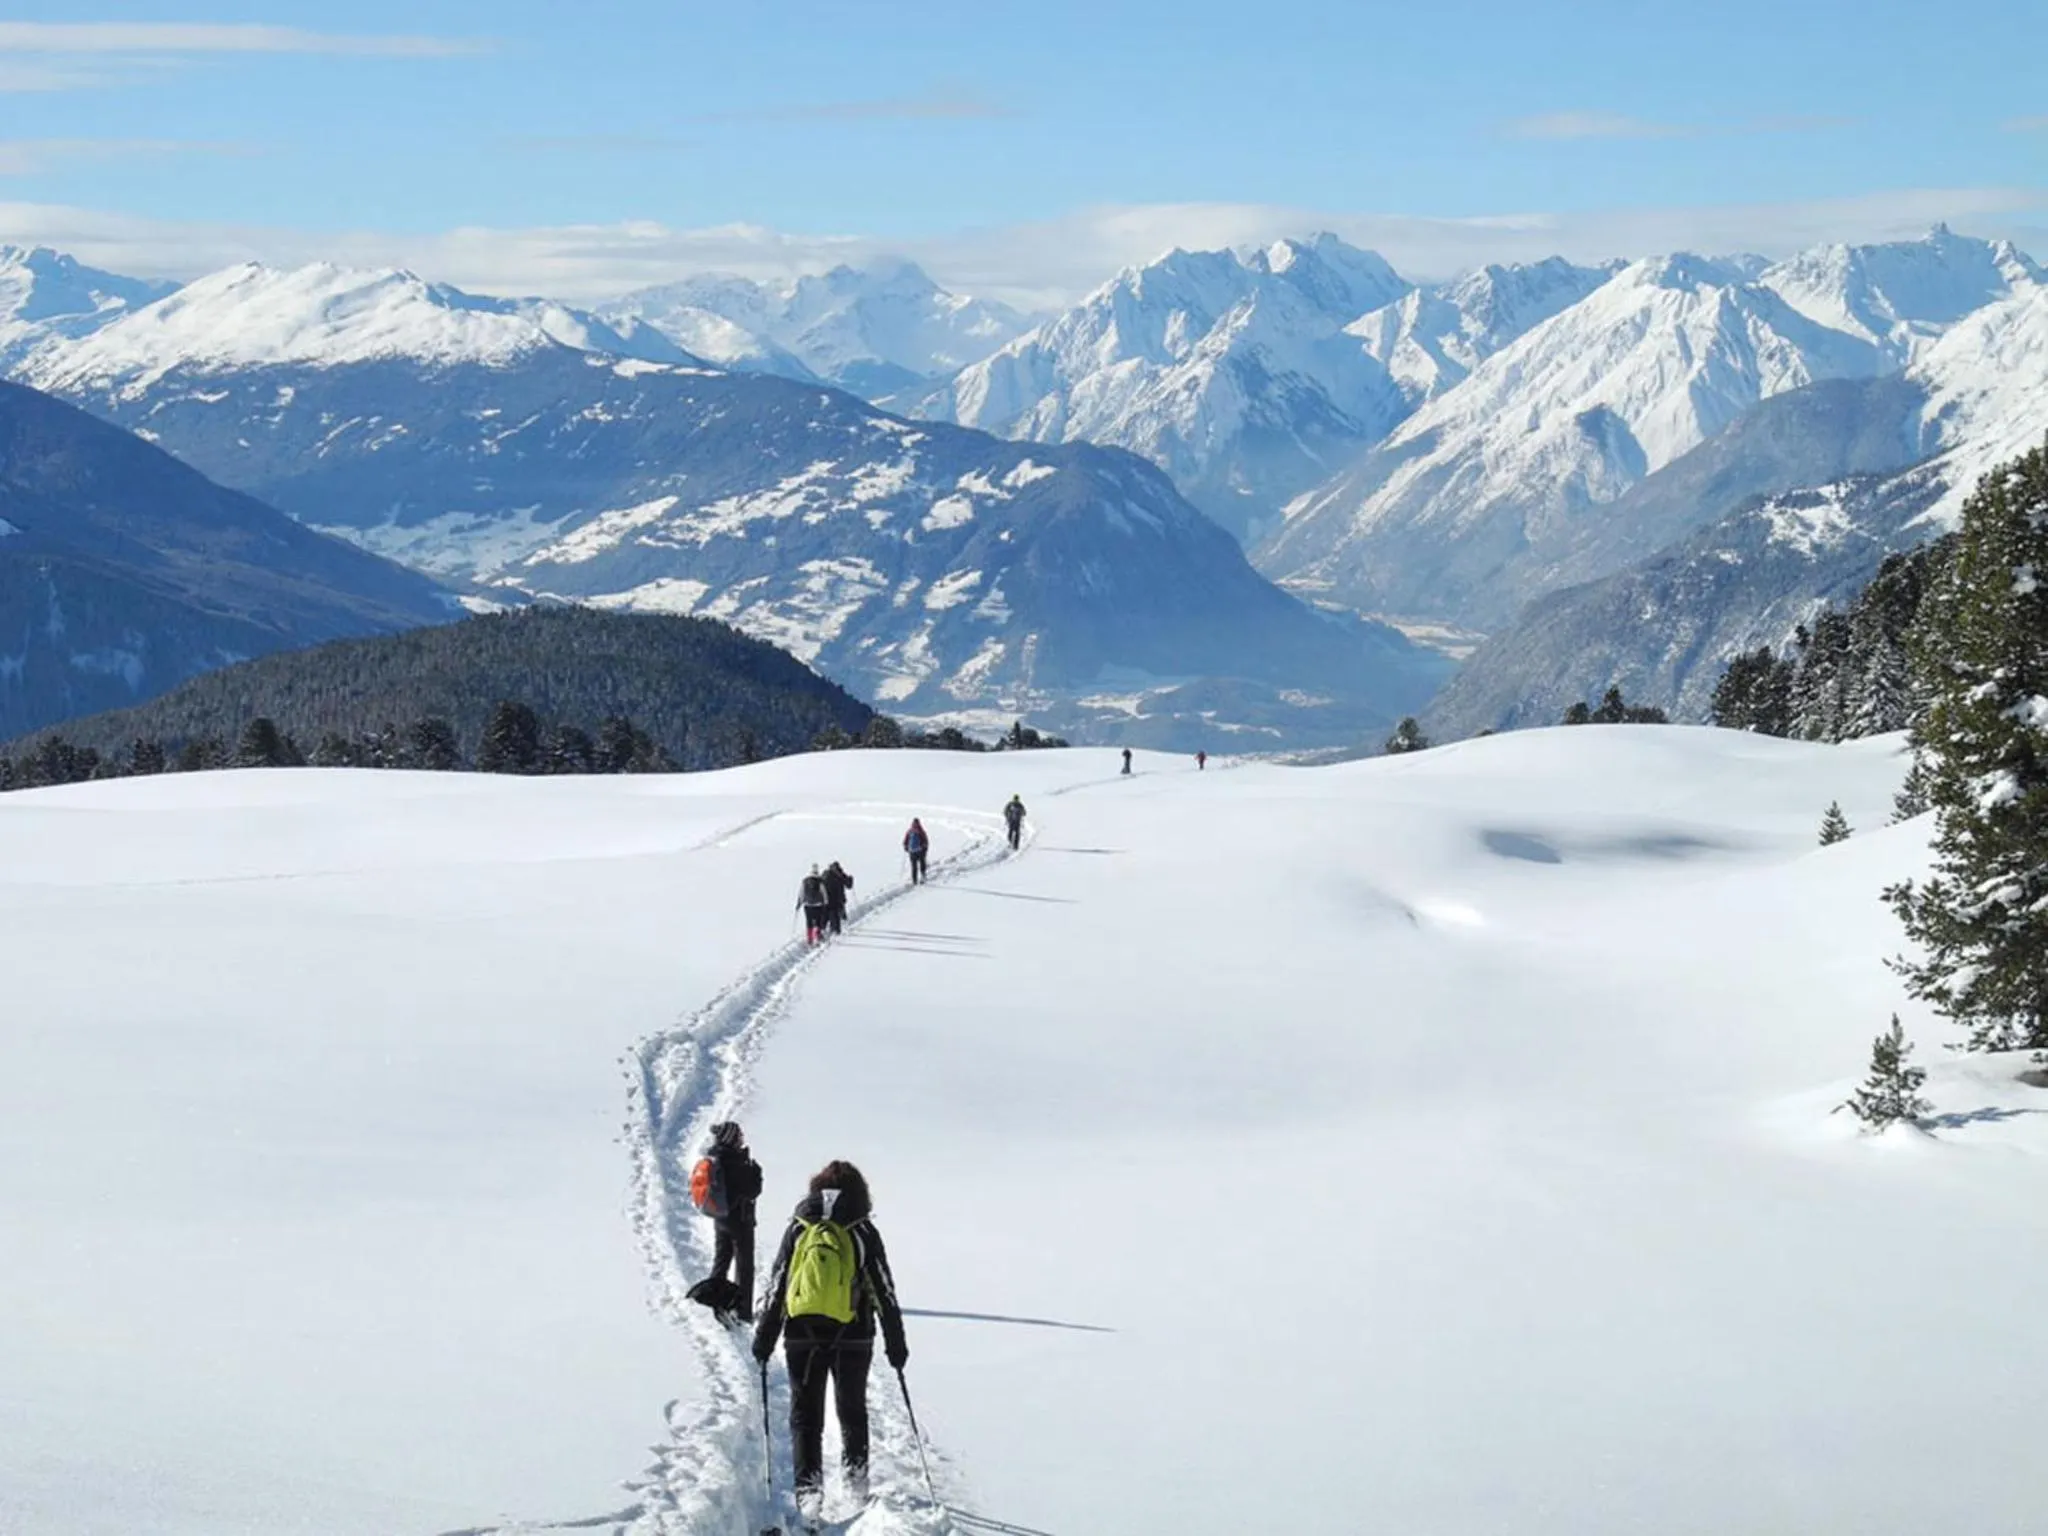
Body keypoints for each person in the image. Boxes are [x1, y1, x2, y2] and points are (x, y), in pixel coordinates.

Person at [753, 1160, 908, 1521]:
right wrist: (896, 1342)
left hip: (800, 1334)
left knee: (804, 1415)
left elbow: (778, 1284)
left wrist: (764, 1337)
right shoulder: (863, 1230)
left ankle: (809, 1497)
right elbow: (883, 1288)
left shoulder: (799, 1226)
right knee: (851, 1410)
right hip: (854, 1335)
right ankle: (855, 1487)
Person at [690, 1120, 764, 1322]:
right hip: (740, 1220)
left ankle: (716, 1300)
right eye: (739, 1136)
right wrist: (756, 1172)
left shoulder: (716, 1157)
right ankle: (743, 1312)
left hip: (721, 1218)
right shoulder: (734, 1160)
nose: (742, 1139)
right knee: (744, 1266)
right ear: (732, 1138)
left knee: (721, 1260)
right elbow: (752, 1190)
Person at [798, 864, 831, 945]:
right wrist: (826, 903)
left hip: (807, 905)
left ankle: (810, 939)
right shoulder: (820, 881)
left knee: (809, 921)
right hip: (818, 905)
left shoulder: (805, 881)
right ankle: (817, 936)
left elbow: (801, 893)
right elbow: (824, 893)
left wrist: (799, 903)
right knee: (818, 921)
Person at [822, 860, 854, 936]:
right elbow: (849, 885)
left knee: (826, 917)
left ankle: (823, 932)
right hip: (838, 900)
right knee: (838, 917)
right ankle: (836, 932)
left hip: (826, 900)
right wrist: (850, 879)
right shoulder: (840, 874)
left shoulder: (825, 874)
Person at [903, 818, 930, 884]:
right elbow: (926, 841)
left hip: (912, 852)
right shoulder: (921, 831)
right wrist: (925, 849)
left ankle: (914, 880)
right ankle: (923, 877)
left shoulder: (910, 831)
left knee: (914, 866)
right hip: (920, 851)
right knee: (922, 864)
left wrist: (906, 847)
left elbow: (905, 841)